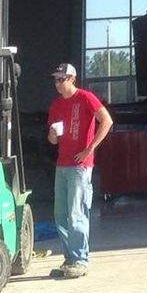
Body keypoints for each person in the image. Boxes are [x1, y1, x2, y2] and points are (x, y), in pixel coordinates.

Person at [46, 62, 112, 279]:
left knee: (76, 213)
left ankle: (80, 260)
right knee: (61, 214)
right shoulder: (56, 105)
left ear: (72, 79)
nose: (58, 83)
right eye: (56, 79)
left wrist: (90, 148)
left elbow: (107, 121)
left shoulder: (85, 97)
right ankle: (70, 258)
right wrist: (52, 137)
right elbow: (52, 136)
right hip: (63, 164)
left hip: (80, 166)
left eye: (61, 79)